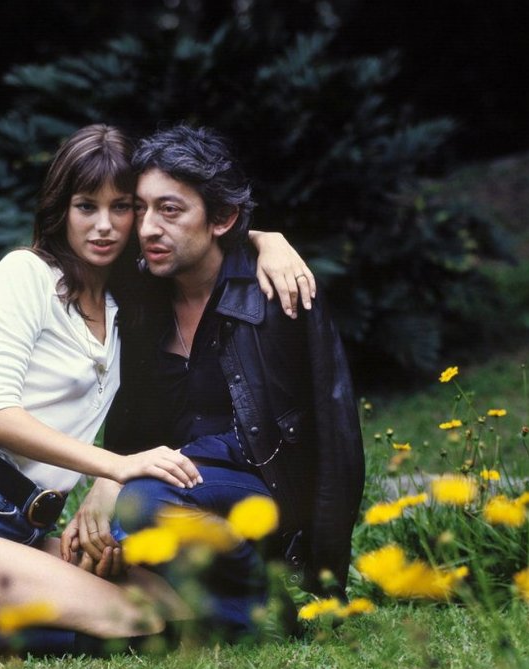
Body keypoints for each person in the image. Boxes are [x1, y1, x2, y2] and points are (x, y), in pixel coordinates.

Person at [0, 124, 315, 654]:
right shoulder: (24, 274)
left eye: (122, 208)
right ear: (59, 210)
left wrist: (266, 240)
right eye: (85, 206)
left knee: (175, 610)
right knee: (133, 621)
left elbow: (206, 235)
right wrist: (114, 467)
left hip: (21, 527)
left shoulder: (126, 303)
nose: (104, 226)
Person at [62, 125, 364, 640]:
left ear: (221, 218)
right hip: (169, 497)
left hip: (256, 497)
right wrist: (112, 479)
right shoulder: (138, 297)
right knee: (85, 557)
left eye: (171, 210)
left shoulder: (278, 295)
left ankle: (265, 609)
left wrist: (121, 477)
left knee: (143, 503)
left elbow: (333, 438)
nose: (149, 228)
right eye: (142, 208)